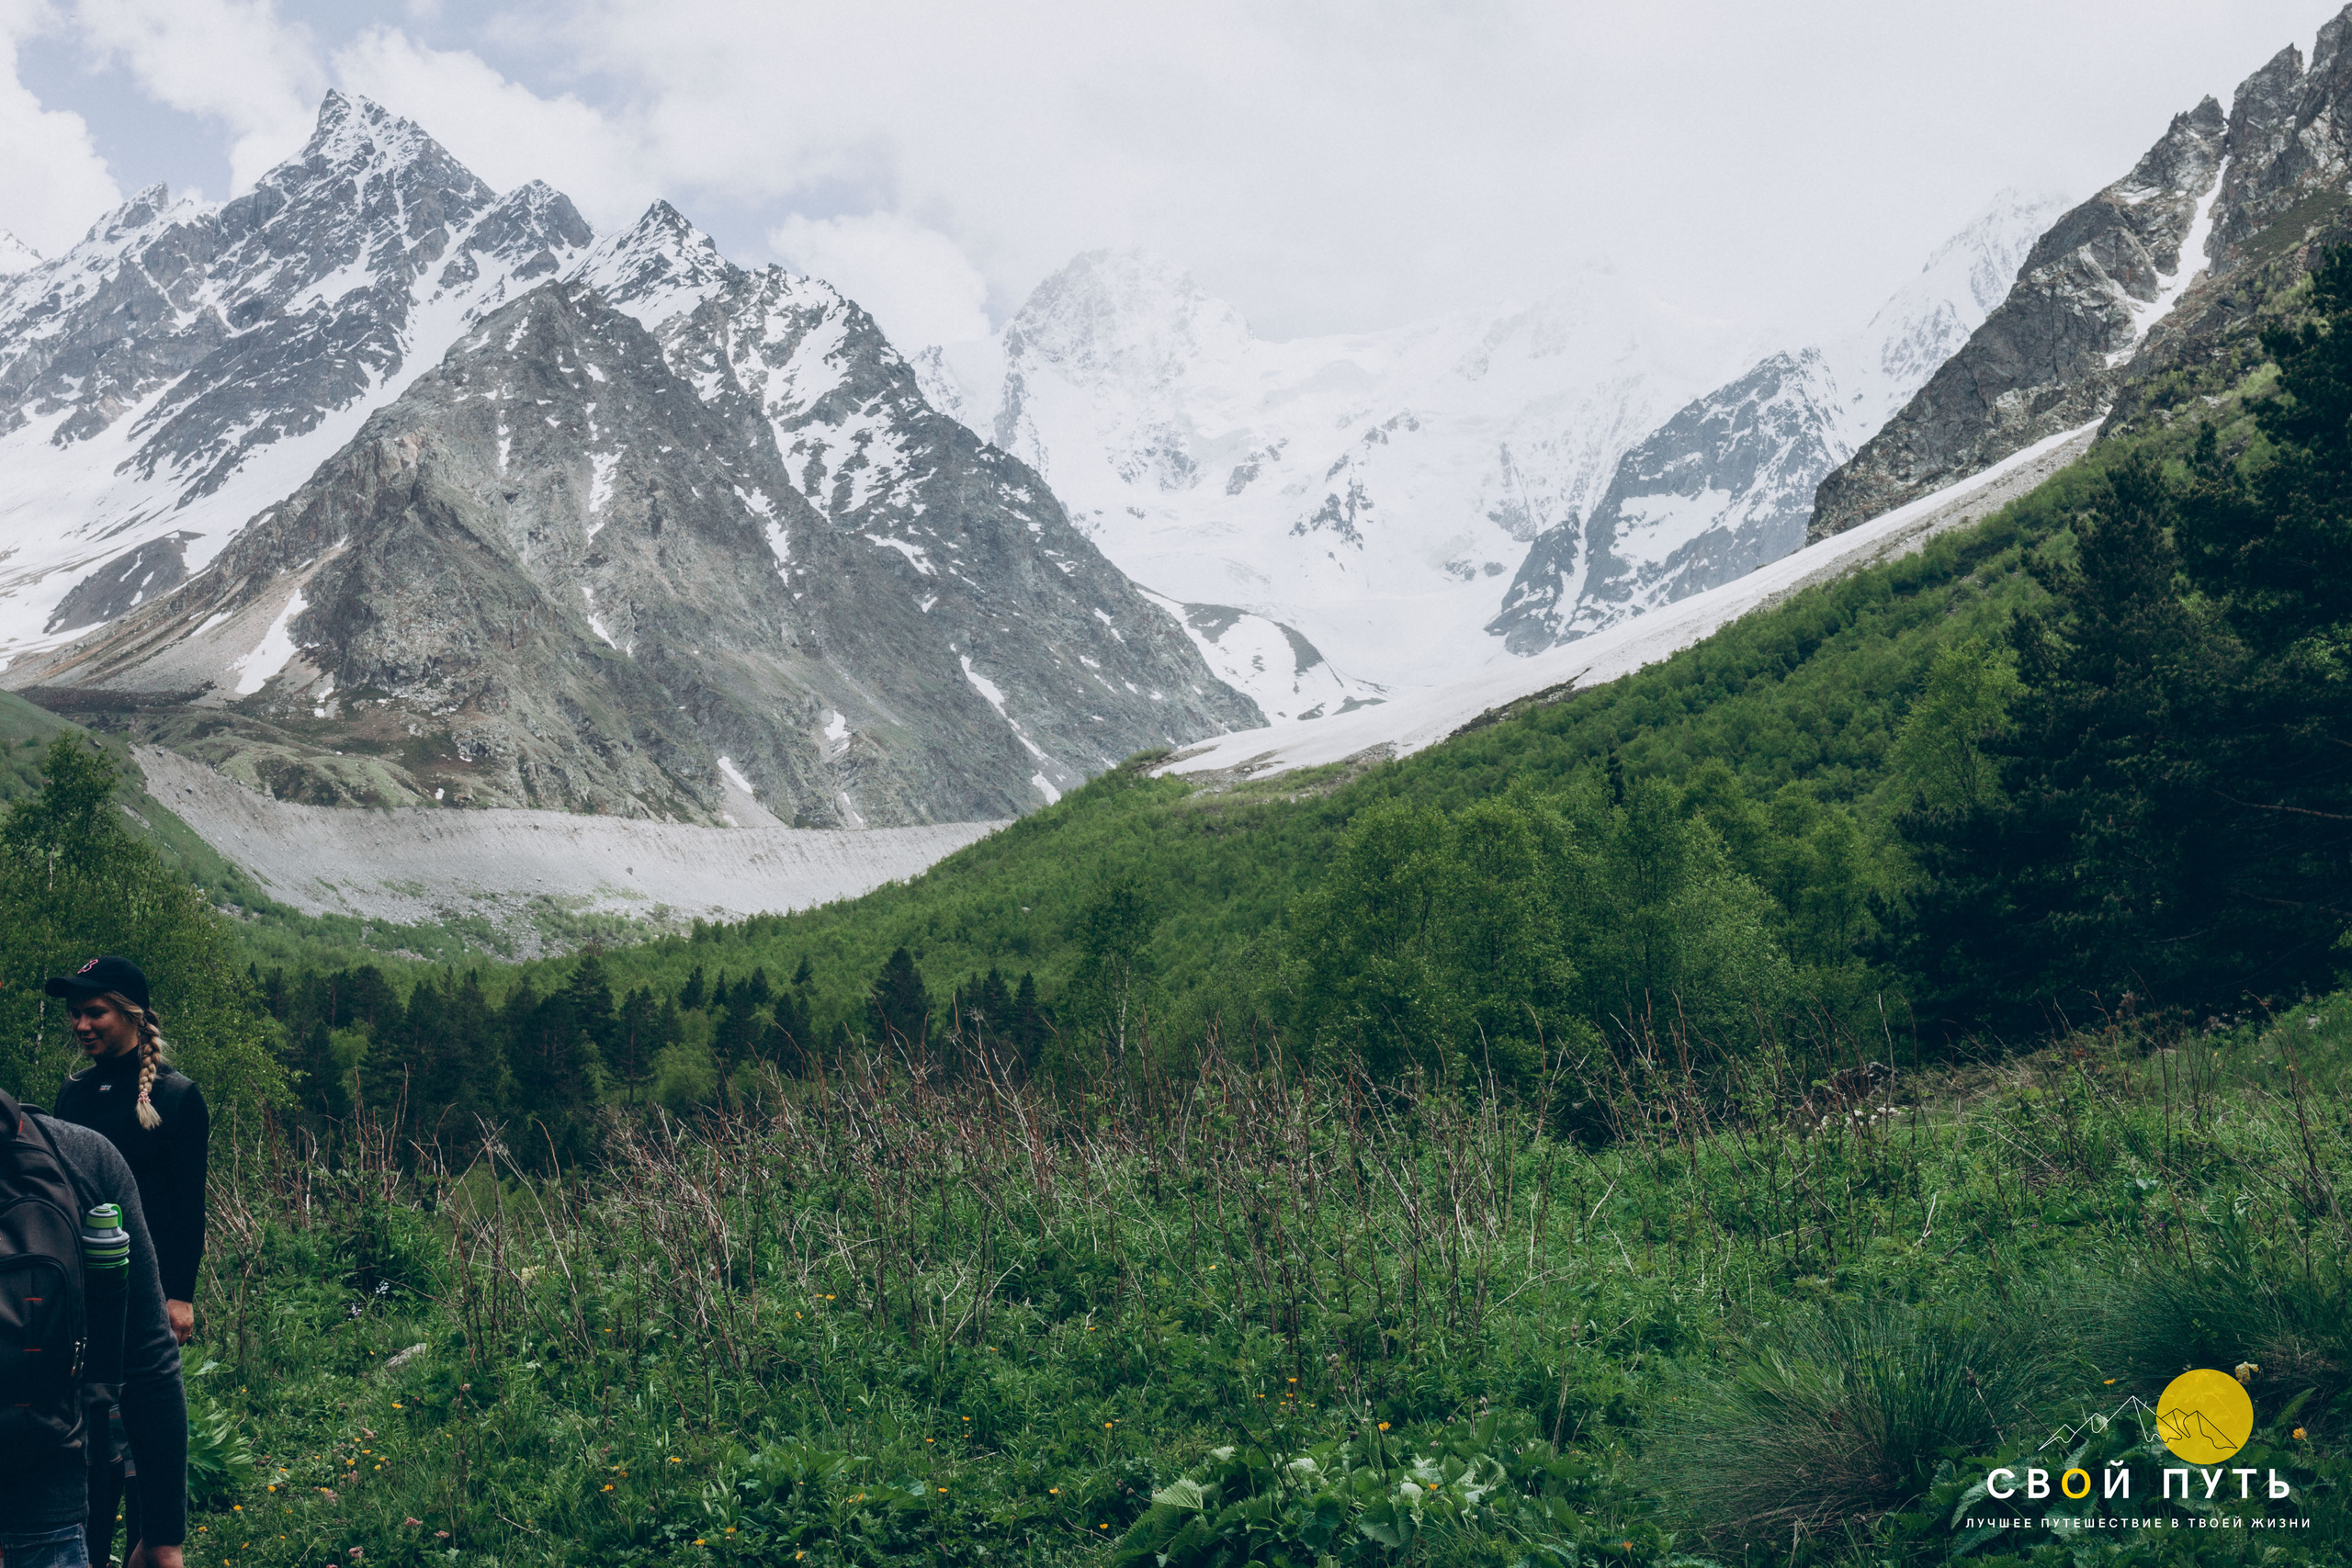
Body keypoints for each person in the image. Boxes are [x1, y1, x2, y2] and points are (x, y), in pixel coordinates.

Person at [48, 958, 209, 1568]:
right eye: (76, 1013)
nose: (81, 1023)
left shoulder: (176, 1095)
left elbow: (186, 1205)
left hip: (149, 1295)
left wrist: (179, 1295)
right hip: (84, 1296)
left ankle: (153, 1546)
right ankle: (84, 1550)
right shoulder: (74, 1095)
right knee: (91, 1425)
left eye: (95, 1011)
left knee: (146, 1428)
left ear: (132, 1014)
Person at [0, 1087, 187, 1568]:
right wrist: (164, 1535)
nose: (82, 1024)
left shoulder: (175, 1097)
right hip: (45, 1505)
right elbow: (149, 1354)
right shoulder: (80, 1151)